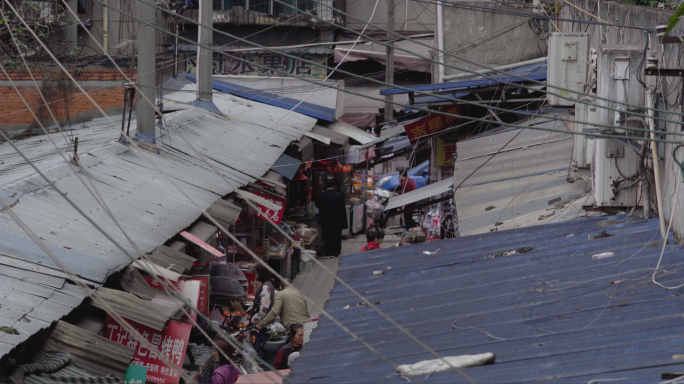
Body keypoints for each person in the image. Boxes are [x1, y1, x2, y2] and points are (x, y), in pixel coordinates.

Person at [316, 179, 346, 257]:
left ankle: (327, 253)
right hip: (335, 219)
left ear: (326, 186)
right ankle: (333, 252)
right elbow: (342, 207)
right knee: (333, 236)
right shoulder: (338, 195)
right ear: (333, 186)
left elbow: (317, 205)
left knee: (326, 236)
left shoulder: (322, 195)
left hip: (325, 220)